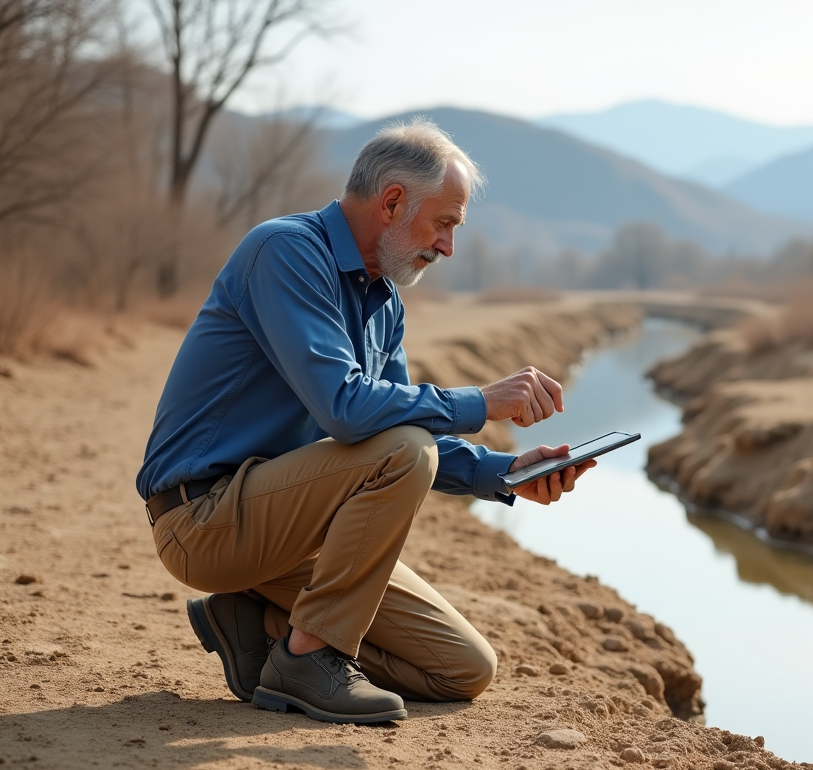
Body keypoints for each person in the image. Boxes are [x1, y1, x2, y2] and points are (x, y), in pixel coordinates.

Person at [136, 120, 595, 724]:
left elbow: (399, 431)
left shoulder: (385, 302)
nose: (449, 245)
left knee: (462, 669)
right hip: (204, 519)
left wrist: (504, 472)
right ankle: (308, 657)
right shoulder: (287, 251)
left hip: (287, 531)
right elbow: (348, 411)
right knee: (404, 449)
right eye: (445, 222)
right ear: (394, 202)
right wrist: (481, 402)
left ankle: (253, 625)